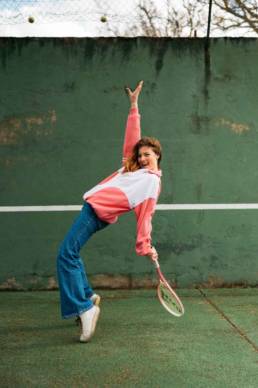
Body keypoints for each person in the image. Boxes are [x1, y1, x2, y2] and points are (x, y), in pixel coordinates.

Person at [57, 80, 162, 343]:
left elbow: (145, 216)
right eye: (140, 155)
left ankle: (86, 308)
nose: (142, 158)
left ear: (158, 155)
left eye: (148, 154)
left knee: (65, 255)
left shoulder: (151, 182)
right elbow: (132, 140)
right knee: (71, 253)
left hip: (95, 213)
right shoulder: (134, 169)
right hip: (92, 209)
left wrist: (146, 246)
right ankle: (87, 295)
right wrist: (134, 106)